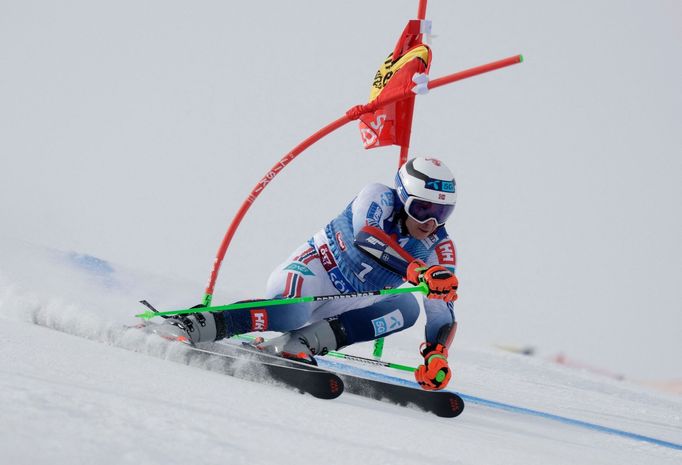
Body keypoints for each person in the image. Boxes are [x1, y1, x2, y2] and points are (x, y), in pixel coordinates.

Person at [161, 156, 459, 391]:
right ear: (403, 197)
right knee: (291, 315)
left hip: (351, 300)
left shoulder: (439, 246)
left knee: (406, 309)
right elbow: (367, 237)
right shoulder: (378, 197)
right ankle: (194, 324)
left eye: (442, 213)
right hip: (314, 272)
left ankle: (299, 345)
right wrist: (417, 270)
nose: (431, 221)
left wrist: (437, 355)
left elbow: (440, 308)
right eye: (422, 209)